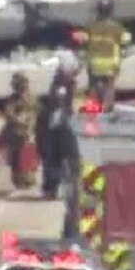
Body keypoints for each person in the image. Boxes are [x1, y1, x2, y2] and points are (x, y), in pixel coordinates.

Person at [39, 55, 79, 200]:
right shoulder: (62, 85)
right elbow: (61, 105)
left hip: (60, 126)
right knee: (58, 158)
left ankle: (55, 187)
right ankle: (52, 188)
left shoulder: (65, 84)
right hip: (58, 128)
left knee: (59, 159)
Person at [82, 0, 129, 112]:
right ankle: (107, 109)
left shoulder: (91, 26)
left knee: (93, 85)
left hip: (94, 61)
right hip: (111, 62)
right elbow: (125, 40)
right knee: (109, 86)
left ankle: (92, 109)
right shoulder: (116, 27)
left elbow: (84, 41)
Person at [2, 72, 39, 190]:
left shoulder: (31, 98)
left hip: (29, 131)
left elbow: (37, 110)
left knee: (29, 155)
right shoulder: (12, 100)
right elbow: (9, 112)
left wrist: (32, 121)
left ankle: (29, 178)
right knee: (16, 158)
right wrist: (17, 119)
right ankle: (19, 179)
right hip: (15, 132)